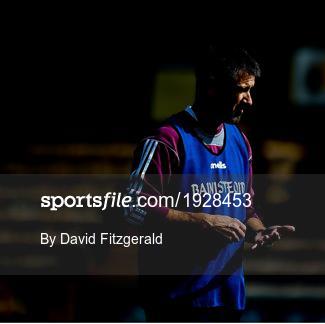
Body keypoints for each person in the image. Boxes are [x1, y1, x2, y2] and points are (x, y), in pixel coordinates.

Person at [125, 46, 295, 322]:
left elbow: (245, 207)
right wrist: (203, 221)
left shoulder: (240, 141)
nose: (249, 100)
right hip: (176, 300)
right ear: (212, 87)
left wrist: (259, 230)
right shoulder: (166, 141)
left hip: (227, 297)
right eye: (242, 89)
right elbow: (134, 209)